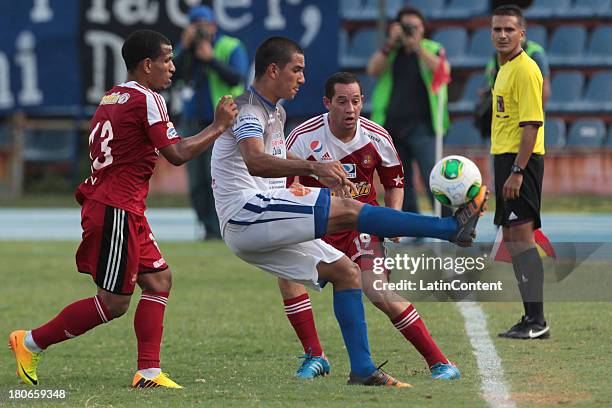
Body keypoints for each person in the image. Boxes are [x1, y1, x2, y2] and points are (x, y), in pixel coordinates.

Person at [211, 36, 487, 386]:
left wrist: (312, 168)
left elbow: (281, 156)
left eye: (356, 100)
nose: (302, 78)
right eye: (296, 70)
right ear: (272, 69)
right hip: (247, 211)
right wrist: (315, 170)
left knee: (346, 273)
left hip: (257, 218)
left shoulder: (275, 111)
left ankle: (362, 369)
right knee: (349, 209)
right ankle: (450, 229)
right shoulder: (249, 110)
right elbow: (254, 160)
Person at [8, 29, 238, 388]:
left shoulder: (113, 96)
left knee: (160, 280)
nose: (173, 67)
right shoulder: (147, 98)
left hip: (121, 206)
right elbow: (175, 155)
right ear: (147, 65)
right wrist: (218, 126)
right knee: (113, 304)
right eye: (166, 60)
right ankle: (30, 341)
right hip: (116, 207)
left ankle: (148, 372)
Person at [277, 72, 461, 381]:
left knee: (377, 290)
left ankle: (441, 363)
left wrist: (395, 216)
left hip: (362, 227)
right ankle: (315, 356)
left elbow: (395, 182)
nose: (350, 109)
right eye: (342, 102)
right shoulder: (302, 137)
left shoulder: (377, 137)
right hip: (319, 226)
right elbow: (284, 184)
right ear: (327, 103)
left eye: (356, 101)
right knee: (286, 276)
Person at [488, 6, 549, 339]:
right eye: (497, 29)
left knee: (522, 240)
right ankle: (530, 317)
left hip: (520, 162)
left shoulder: (526, 70)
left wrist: (517, 171)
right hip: (507, 159)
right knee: (513, 240)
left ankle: (537, 321)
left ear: (521, 33)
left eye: (509, 30)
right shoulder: (504, 68)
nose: (502, 35)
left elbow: (531, 126)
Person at [367, 6, 451, 216]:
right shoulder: (391, 51)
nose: (409, 31)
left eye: (414, 26)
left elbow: (443, 70)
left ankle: (448, 222)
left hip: (423, 125)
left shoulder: (432, 48)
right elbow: (372, 69)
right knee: (401, 180)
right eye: (406, 26)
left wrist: (417, 47)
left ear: (423, 28)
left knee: (433, 176)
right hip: (393, 125)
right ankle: (412, 224)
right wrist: (390, 43)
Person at [173, 5, 248, 239]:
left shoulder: (230, 46)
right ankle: (207, 228)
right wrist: (185, 48)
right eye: (195, 25)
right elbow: (172, 77)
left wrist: (211, 59)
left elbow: (237, 76)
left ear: (214, 26)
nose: (200, 30)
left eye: (204, 25)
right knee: (196, 180)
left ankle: (222, 228)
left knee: (217, 177)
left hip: (222, 120)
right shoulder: (186, 48)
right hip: (193, 119)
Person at [477, 16, 551, 139]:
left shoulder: (534, 54)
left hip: (524, 124)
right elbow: (491, 84)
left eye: (510, 30)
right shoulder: (497, 55)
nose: (504, 35)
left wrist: (531, 123)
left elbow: (545, 90)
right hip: (502, 125)